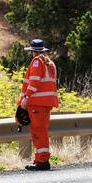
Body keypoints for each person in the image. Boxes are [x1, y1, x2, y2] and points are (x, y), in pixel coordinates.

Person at [18, 39, 59, 171]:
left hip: (37, 103)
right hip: (47, 102)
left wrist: (25, 98)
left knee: (38, 131)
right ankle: (40, 158)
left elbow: (34, 82)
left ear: (32, 51)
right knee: (41, 130)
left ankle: (42, 160)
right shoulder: (50, 63)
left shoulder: (37, 62)